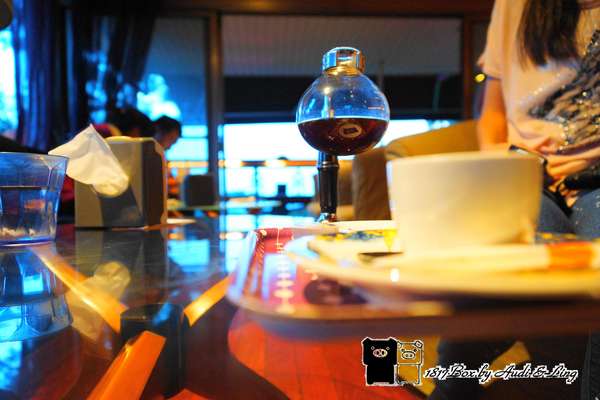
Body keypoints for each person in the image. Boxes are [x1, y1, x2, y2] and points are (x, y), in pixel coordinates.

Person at [431, 0, 599, 399]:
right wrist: (500, 172)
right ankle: (452, 390)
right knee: (499, 269)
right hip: (527, 173)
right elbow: (491, 115)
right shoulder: (514, 5)